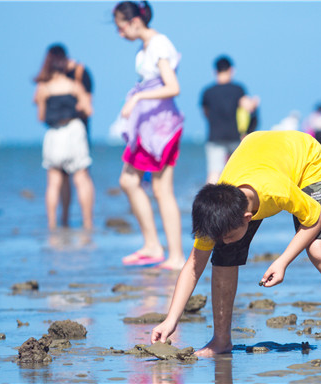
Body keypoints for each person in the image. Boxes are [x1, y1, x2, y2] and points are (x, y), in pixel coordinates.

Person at [149, 130, 321, 358]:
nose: (223, 241)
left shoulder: (276, 191)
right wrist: (171, 320)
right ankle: (221, 340)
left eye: (226, 236)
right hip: (257, 149)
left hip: (305, 156)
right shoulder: (216, 210)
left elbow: (317, 218)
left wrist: (283, 261)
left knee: (320, 249)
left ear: (248, 218)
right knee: (224, 256)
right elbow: (194, 266)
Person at [113, 1, 185, 270]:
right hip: (148, 127)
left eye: (121, 28)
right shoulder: (144, 47)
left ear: (134, 22)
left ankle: (175, 256)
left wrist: (139, 96)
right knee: (129, 181)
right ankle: (153, 245)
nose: (120, 34)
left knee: (161, 189)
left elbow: (173, 86)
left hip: (162, 127)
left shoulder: (159, 44)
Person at [33, 43, 96, 230]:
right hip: (74, 131)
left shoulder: (43, 87)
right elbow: (88, 110)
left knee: (54, 182)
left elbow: (41, 117)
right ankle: (88, 223)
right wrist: (78, 107)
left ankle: (55, 223)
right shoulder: (74, 85)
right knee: (81, 177)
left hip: (54, 134)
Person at [201, 55, 258, 184]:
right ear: (231, 70)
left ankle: (208, 202)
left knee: (214, 173)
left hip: (214, 136)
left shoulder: (207, 92)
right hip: (234, 136)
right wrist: (254, 103)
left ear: (215, 71)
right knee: (238, 172)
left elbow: (206, 113)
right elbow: (248, 107)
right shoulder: (238, 89)